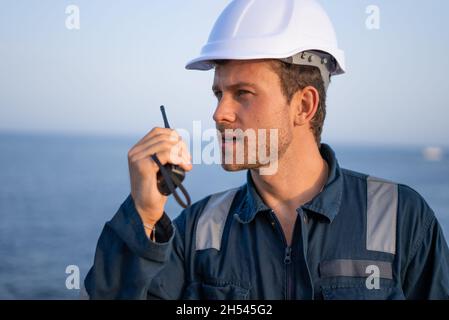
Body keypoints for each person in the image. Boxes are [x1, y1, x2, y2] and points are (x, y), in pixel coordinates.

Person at [84, 0, 449, 299]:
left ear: (304, 106)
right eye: (218, 93)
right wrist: (144, 217)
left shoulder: (402, 217)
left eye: (243, 93)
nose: (219, 113)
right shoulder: (196, 231)